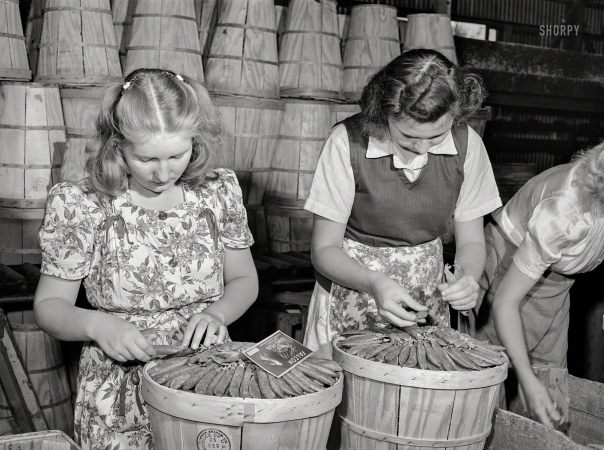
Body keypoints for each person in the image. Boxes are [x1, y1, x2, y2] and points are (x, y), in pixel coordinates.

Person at [33, 68, 259, 449]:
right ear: (117, 144)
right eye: (146, 158)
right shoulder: (82, 204)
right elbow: (49, 306)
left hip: (203, 379)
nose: (164, 172)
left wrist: (217, 314)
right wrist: (97, 325)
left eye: (178, 154)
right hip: (117, 389)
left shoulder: (216, 192)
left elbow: (245, 281)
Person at [303, 49, 502, 358]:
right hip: (352, 295)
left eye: (436, 136)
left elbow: (472, 240)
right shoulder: (347, 143)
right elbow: (323, 250)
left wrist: (468, 278)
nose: (422, 149)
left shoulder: (468, 146)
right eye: (409, 136)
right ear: (386, 112)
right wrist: (373, 282)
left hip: (425, 304)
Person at [467, 139, 604, 428]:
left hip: (557, 284)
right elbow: (506, 302)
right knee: (495, 384)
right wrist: (528, 382)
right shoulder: (565, 213)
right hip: (510, 273)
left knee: (551, 389)